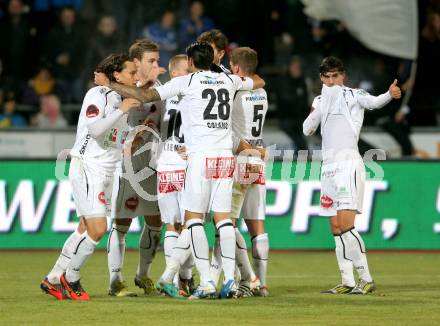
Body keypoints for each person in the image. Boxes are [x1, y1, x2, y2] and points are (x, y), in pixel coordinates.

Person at [95, 41, 265, 299]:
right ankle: (229, 278)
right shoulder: (230, 81)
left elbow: (144, 96)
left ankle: (205, 280)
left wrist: (111, 85)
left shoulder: (187, 82)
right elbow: (258, 81)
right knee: (224, 220)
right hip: (225, 157)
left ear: (191, 62)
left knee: (192, 219)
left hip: (196, 158)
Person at [40, 53, 139, 300]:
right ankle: (71, 277)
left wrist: (128, 142)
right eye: (131, 72)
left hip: (106, 170)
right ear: (117, 75)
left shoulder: (120, 99)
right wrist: (121, 112)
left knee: (85, 228)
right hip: (88, 167)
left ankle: (53, 278)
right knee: (98, 228)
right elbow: (95, 129)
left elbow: (113, 136)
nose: (135, 78)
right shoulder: (98, 95)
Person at [303, 56, 401, 295]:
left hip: (348, 165)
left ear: (343, 76)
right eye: (326, 77)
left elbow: (376, 102)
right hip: (328, 168)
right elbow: (307, 128)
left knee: (347, 225)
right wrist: (320, 109)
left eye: (335, 76)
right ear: (321, 78)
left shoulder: (353, 95)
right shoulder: (319, 100)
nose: (331, 81)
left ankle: (366, 278)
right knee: (336, 227)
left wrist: (389, 94)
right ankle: (347, 281)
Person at [106, 39, 163, 297]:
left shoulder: (160, 90)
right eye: (151, 60)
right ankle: (115, 280)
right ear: (136, 62)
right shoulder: (119, 90)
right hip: (127, 166)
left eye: (157, 60)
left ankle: (143, 274)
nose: (156, 65)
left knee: (155, 222)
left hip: (152, 165)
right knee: (121, 223)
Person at [228, 47, 269, 297]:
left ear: (236, 69)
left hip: (239, 159)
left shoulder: (235, 93)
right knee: (258, 227)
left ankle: (239, 280)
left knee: (226, 222)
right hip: (258, 160)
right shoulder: (262, 92)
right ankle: (262, 284)